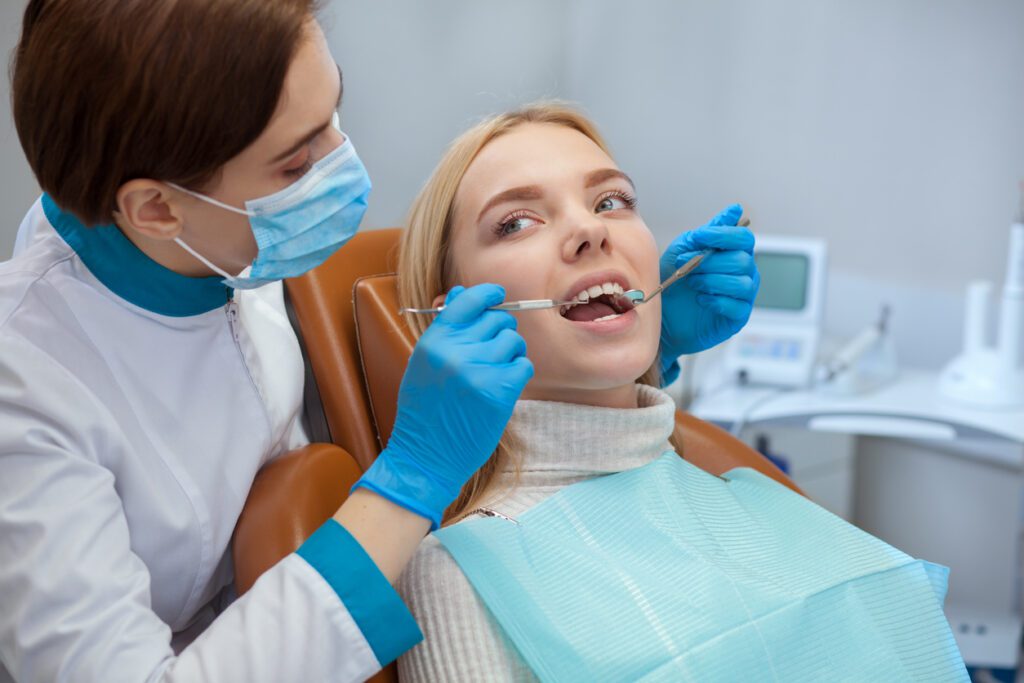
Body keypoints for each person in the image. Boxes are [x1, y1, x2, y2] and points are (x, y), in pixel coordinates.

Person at [0, 3, 758, 681]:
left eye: (611, 200)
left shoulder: (241, 250)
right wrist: (411, 478)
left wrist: (648, 347)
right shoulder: (27, 387)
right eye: (297, 162)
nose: (342, 162)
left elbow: (511, 417)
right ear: (157, 210)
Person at [394, 103, 967, 681]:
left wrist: (657, 353)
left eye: (611, 201)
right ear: (456, 320)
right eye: (516, 222)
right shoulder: (460, 572)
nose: (591, 229)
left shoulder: (737, 495)